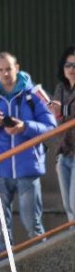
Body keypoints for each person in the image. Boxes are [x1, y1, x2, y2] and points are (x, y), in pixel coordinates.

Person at [0, 52, 57, 255]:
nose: (5, 73)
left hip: (27, 168)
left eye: (9, 69)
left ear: (17, 68)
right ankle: (3, 268)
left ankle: (42, 263)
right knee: (1, 229)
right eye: (1, 70)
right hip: (0, 170)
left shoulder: (34, 96)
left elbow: (52, 126)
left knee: (33, 223)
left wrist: (25, 127)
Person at [48, 46, 75, 223]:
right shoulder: (61, 88)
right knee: (68, 207)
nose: (72, 70)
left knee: (74, 203)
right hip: (63, 152)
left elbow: (65, 110)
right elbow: (57, 115)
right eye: (68, 65)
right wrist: (51, 110)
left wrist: (62, 109)